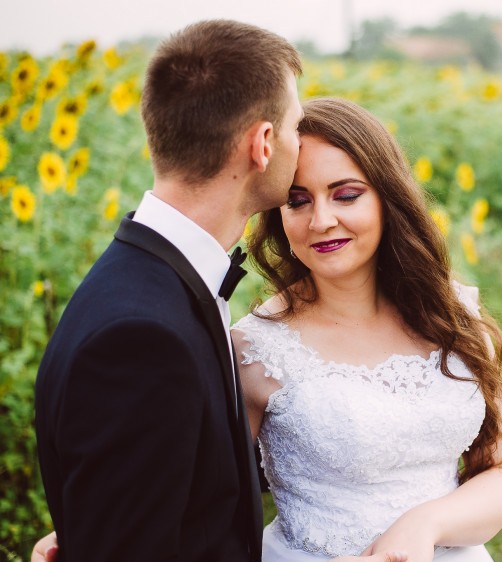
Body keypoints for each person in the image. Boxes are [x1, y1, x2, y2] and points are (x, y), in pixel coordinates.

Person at [32, 21, 405, 562]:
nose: (301, 144)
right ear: (263, 143)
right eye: (297, 126)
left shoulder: (152, 287)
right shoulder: (141, 338)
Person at [231, 97, 502, 562]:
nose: (321, 220)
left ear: (388, 198)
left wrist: (424, 525)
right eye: (298, 200)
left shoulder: (453, 314)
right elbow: (213, 512)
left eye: (346, 194)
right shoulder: (256, 348)